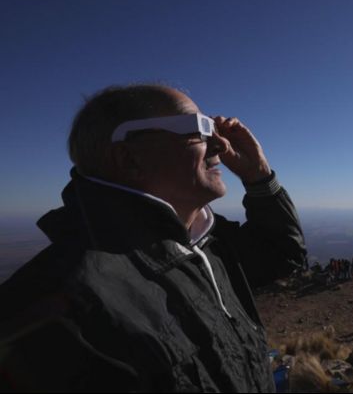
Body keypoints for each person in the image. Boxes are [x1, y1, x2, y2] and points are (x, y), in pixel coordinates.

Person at [0, 84, 307, 392]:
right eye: (198, 128)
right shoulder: (62, 310)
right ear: (128, 158)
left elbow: (282, 256)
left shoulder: (204, 244)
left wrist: (259, 175)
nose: (220, 145)